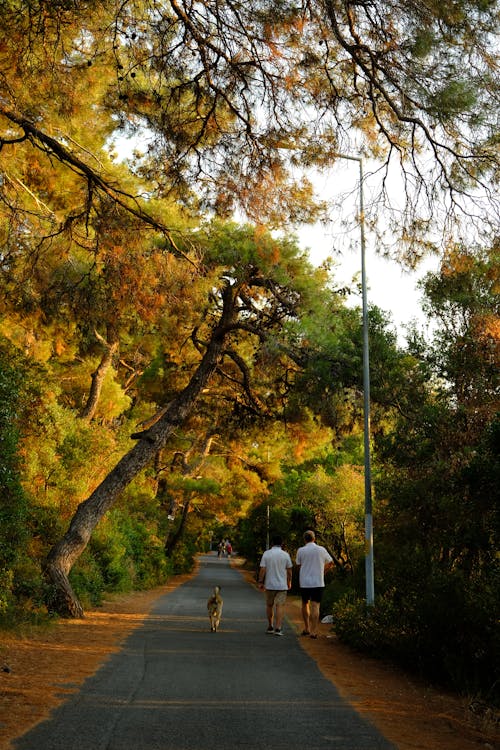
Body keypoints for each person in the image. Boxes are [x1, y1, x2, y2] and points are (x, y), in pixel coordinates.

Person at [296, 530, 333, 639]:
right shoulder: (321, 549)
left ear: (304, 539)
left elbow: (298, 565)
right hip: (318, 582)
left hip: (305, 582)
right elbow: (331, 562)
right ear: (314, 538)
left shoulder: (301, 550)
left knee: (305, 603)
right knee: (315, 605)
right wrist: (323, 571)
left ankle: (307, 628)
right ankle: (314, 631)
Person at [258, 535, 293, 636]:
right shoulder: (285, 555)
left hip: (269, 585)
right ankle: (278, 628)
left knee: (269, 605)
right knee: (280, 605)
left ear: (272, 543)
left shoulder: (267, 554)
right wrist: (289, 581)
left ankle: (270, 626)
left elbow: (263, 569)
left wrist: (260, 581)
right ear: (282, 543)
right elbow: (289, 570)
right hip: (282, 585)